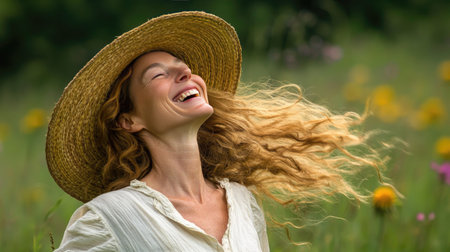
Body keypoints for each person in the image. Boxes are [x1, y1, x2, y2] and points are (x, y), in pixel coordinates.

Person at [46, 11, 386, 251]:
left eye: (186, 69)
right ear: (128, 120)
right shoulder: (108, 220)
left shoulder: (242, 203)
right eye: (158, 75)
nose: (185, 75)